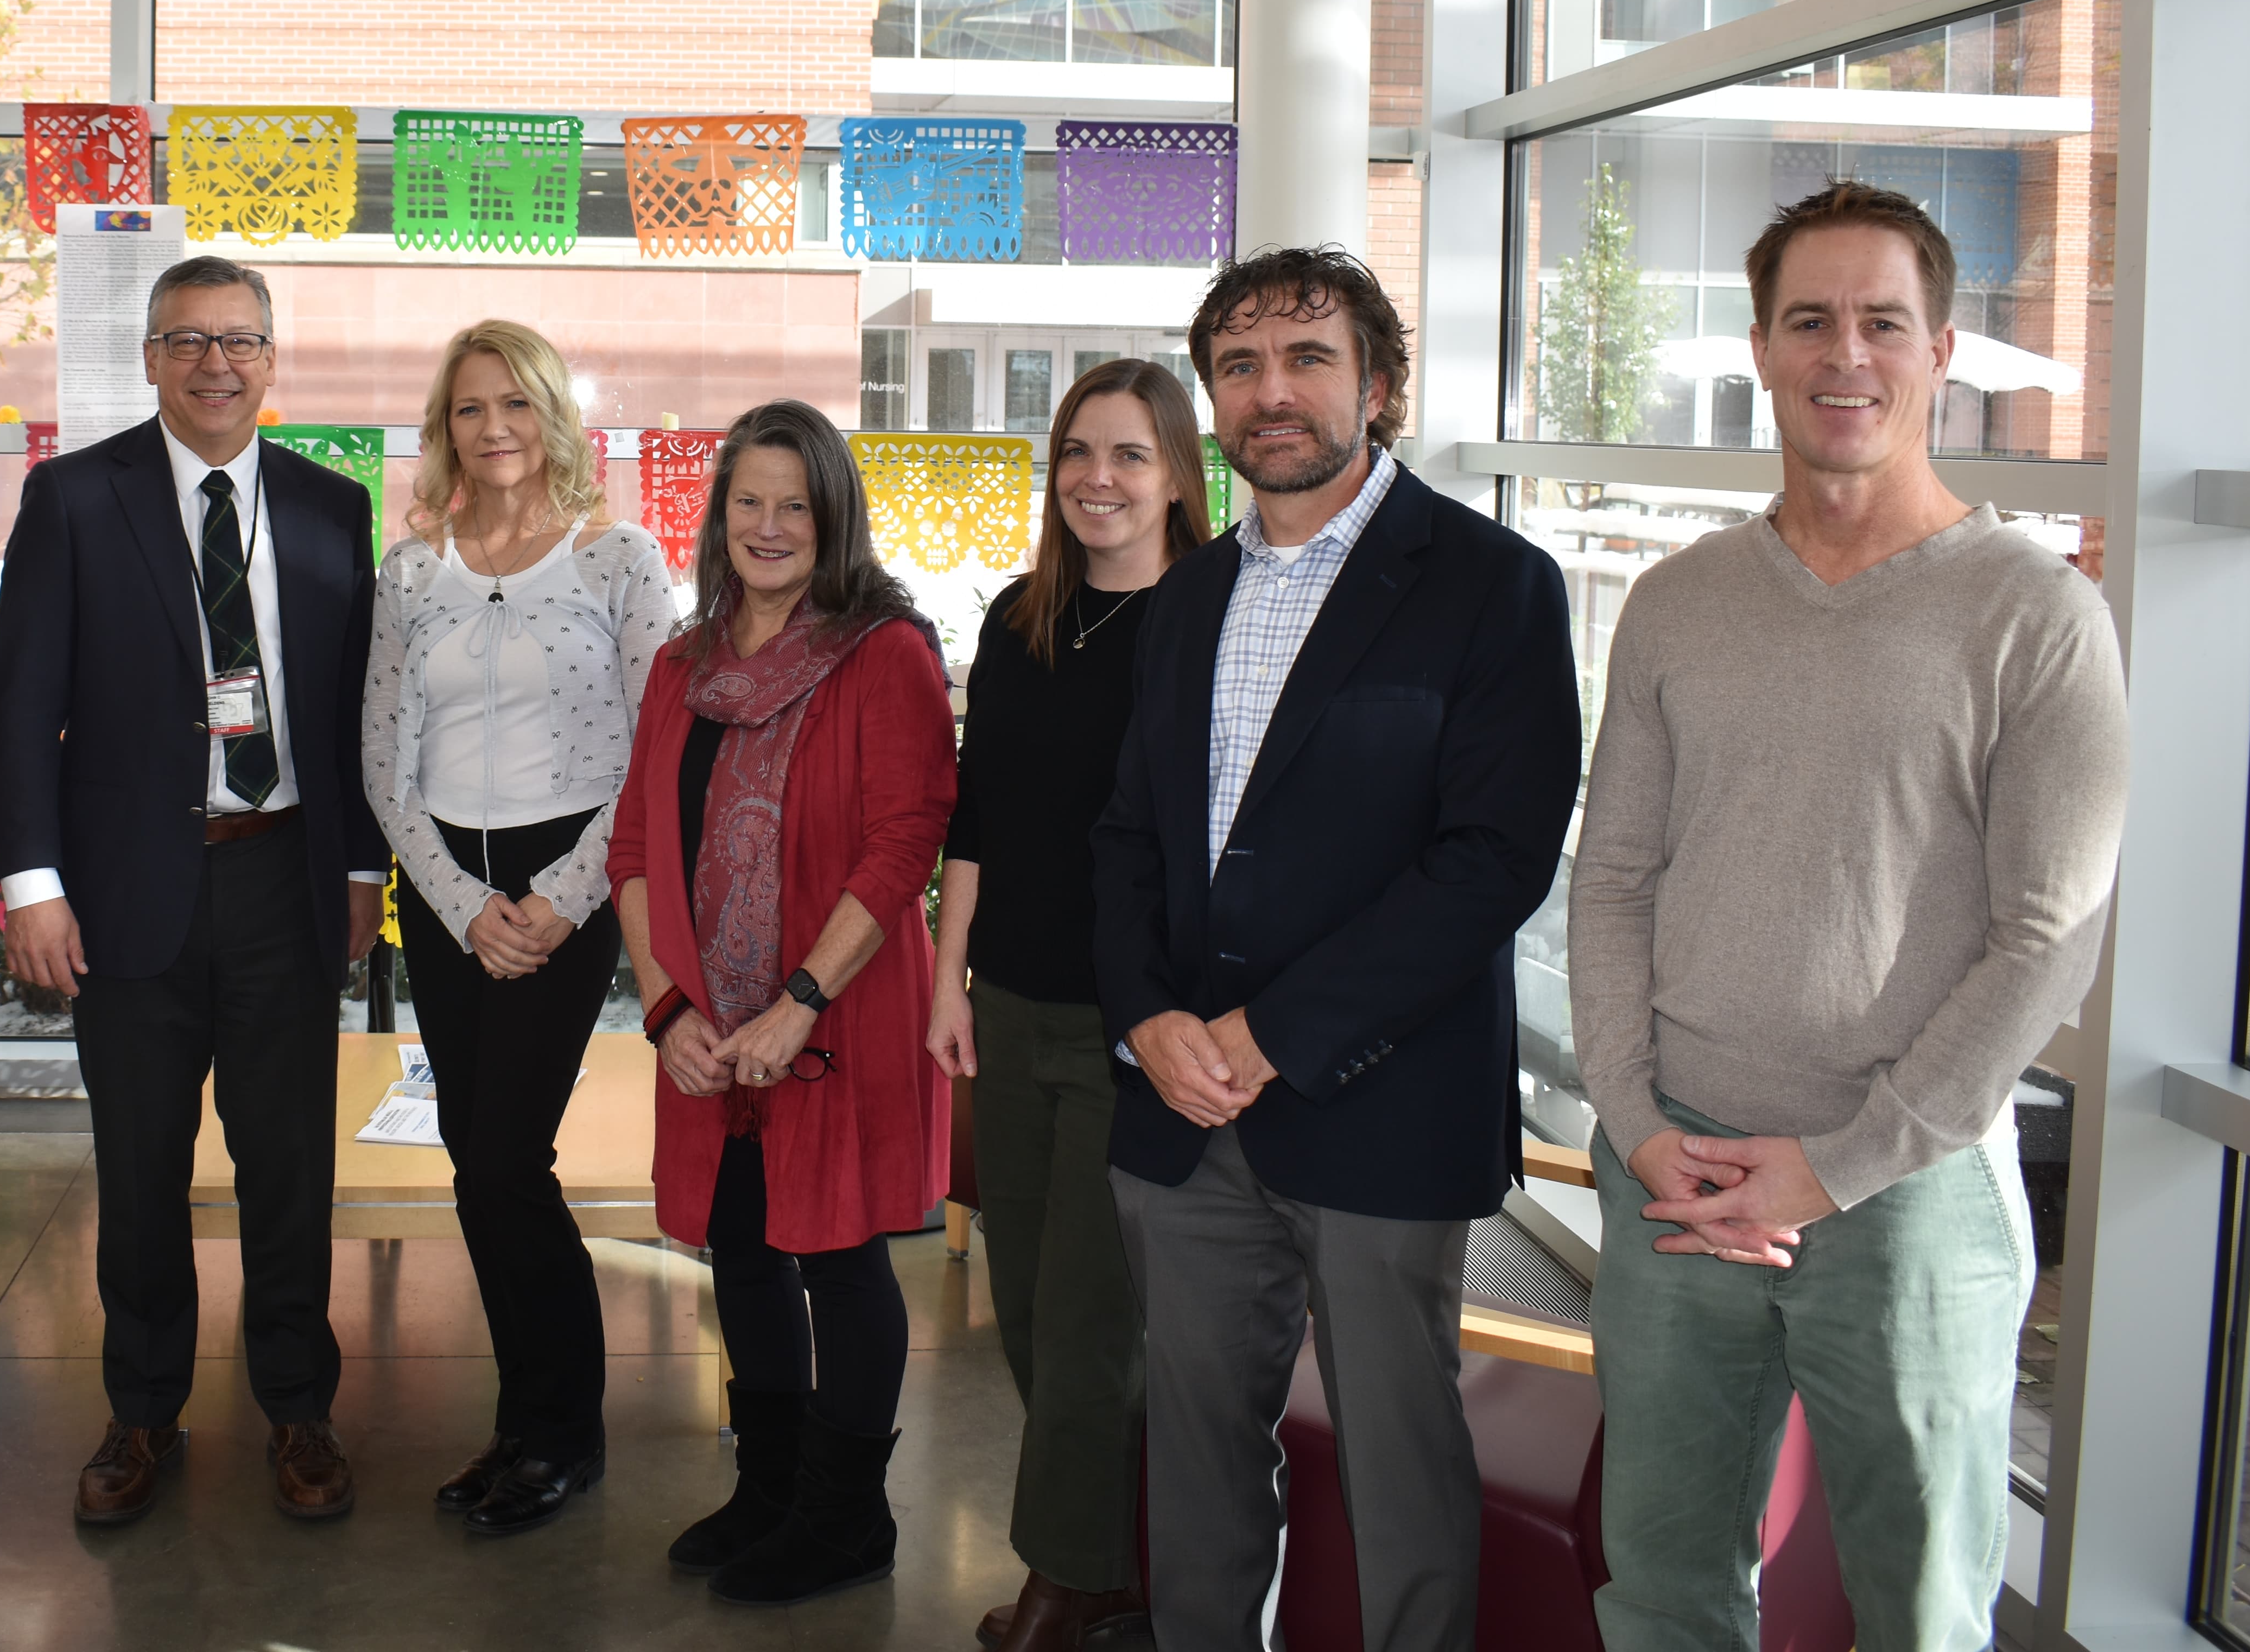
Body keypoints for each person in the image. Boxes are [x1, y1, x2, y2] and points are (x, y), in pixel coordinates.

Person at [1568, 185, 2128, 1652]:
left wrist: (1842, 1165)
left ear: (1940, 349)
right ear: (1762, 348)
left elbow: (2048, 933)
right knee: (1665, 1587)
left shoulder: (2034, 615)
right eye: (1811, 320)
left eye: (1883, 321)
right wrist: (1634, 1129)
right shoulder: (1682, 604)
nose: (1846, 354)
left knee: (1922, 1611)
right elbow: (1615, 876)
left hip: (1914, 1199)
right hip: (1673, 1178)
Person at [1091, 246, 1582, 1652]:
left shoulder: (1495, 588)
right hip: (1183, 1112)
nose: (1274, 392)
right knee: (1192, 1456)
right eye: (1240, 366)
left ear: (1381, 384)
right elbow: (1126, 837)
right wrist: (1152, 1023)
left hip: (1380, 1104)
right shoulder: (1186, 599)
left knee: (1399, 1465)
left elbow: (1489, 864)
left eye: (1308, 357)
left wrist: (1269, 1037)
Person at [0, 254, 390, 1530]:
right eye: (188, 339)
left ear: (274, 359)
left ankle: (298, 1405)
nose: (217, 362)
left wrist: (363, 871)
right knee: (142, 1166)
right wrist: (33, 882)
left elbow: (350, 711)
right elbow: (20, 702)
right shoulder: (73, 498)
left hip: (284, 875)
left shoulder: (332, 504)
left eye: (241, 339)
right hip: (126, 890)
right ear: (151, 357)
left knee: (288, 1167)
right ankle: (142, 1408)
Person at [604, 398, 957, 1609]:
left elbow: (905, 840)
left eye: (793, 504)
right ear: (718, 518)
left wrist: (801, 998)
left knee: (842, 1258)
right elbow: (635, 848)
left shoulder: (884, 651)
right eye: (747, 500)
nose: (768, 525)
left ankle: (850, 1517)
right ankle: (770, 1487)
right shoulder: (682, 663)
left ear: (833, 517)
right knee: (744, 1255)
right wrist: (665, 1011)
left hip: (836, 1021)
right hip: (707, 1031)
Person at [359, 320, 676, 1535]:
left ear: (554, 416)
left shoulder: (618, 557)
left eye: (514, 404)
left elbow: (656, 753)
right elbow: (384, 759)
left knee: (506, 1161)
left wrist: (555, 901)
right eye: (467, 409)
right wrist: (458, 902)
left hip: (567, 888)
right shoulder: (412, 566)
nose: (493, 428)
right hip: (450, 892)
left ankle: (564, 1428)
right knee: (474, 1164)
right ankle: (524, 1418)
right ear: (444, 429)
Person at [929, 358, 1209, 1652]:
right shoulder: (1019, 615)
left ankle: (1072, 1573)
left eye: (1131, 454)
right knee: (1033, 1307)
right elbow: (975, 812)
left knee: (1096, 1314)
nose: (1099, 477)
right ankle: (1126, 1539)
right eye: (1078, 452)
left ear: (1176, 476)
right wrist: (949, 976)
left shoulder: (1209, 620)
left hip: (1132, 1028)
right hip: (1012, 1004)